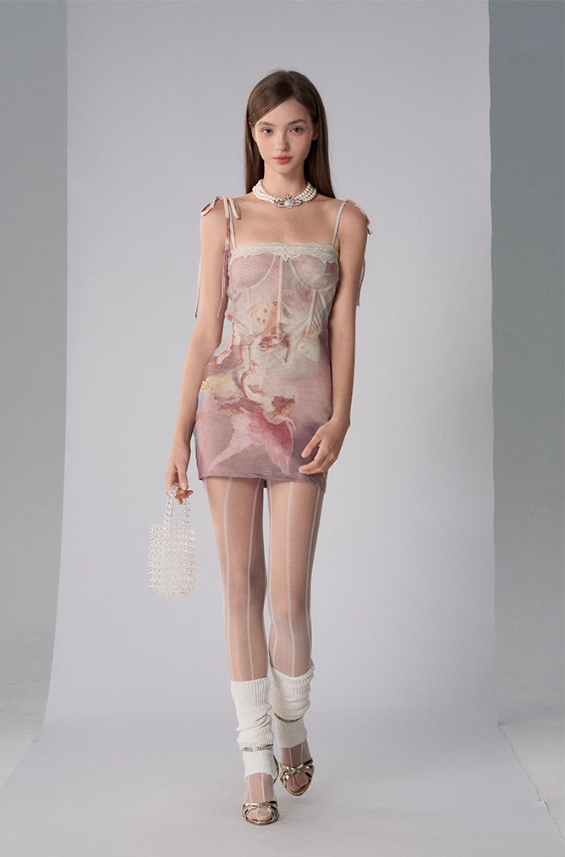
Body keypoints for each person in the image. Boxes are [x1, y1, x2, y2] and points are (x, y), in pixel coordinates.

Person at [165, 69, 372, 825]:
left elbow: (342, 327)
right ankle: (256, 757)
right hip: (226, 412)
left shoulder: (344, 219)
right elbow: (204, 329)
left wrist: (341, 417)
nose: (280, 143)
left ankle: (290, 720)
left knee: (289, 595)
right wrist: (177, 432)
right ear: (251, 135)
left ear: (314, 132)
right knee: (239, 589)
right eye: (265, 129)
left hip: (303, 419)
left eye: (294, 127)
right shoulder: (221, 216)